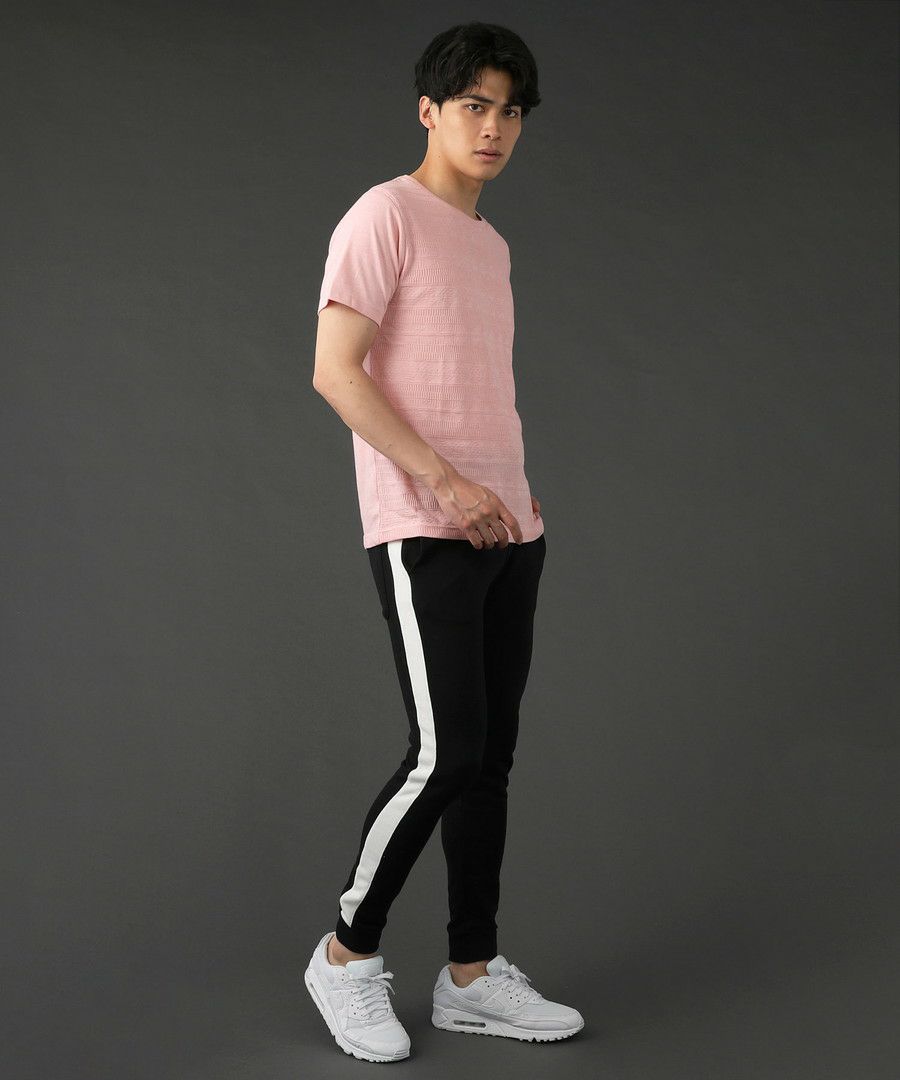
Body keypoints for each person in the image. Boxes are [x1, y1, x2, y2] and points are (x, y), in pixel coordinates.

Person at [303, 21, 584, 1063]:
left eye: (510, 110)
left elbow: (469, 383)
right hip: (427, 524)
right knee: (444, 753)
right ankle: (345, 953)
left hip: (510, 527)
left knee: (489, 762)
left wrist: (510, 488)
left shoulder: (490, 244)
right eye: (474, 105)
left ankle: (471, 975)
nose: (494, 127)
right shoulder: (386, 214)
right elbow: (335, 371)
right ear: (429, 110)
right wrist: (448, 483)